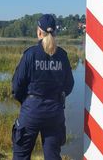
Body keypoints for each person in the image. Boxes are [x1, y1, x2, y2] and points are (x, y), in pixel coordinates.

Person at [12, 14, 74, 160]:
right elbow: (69, 85)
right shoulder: (62, 55)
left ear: (39, 32)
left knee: (21, 155)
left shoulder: (30, 54)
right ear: (55, 32)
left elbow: (16, 85)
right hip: (55, 112)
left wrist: (25, 102)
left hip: (31, 111)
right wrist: (59, 96)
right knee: (53, 156)